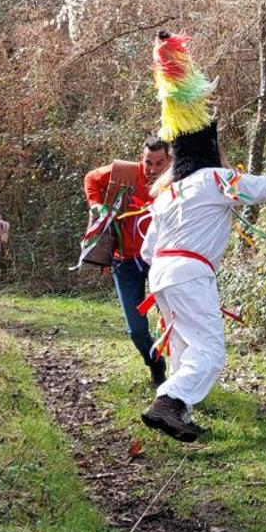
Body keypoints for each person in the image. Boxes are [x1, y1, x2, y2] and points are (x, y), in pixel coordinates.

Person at [138, 31, 266, 442]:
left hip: (162, 275)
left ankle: (178, 414)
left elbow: (146, 249)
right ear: (210, 146)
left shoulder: (166, 192)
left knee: (186, 346)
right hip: (190, 272)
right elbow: (261, 189)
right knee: (210, 351)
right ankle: (169, 401)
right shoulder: (215, 180)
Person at [85, 137, 172, 385]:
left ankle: (180, 382)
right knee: (135, 329)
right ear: (140, 159)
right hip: (125, 261)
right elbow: (91, 178)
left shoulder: (177, 180)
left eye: (159, 163)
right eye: (148, 163)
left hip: (162, 261)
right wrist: (96, 205)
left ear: (170, 160)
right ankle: (156, 364)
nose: (153, 169)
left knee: (175, 321)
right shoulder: (127, 173)